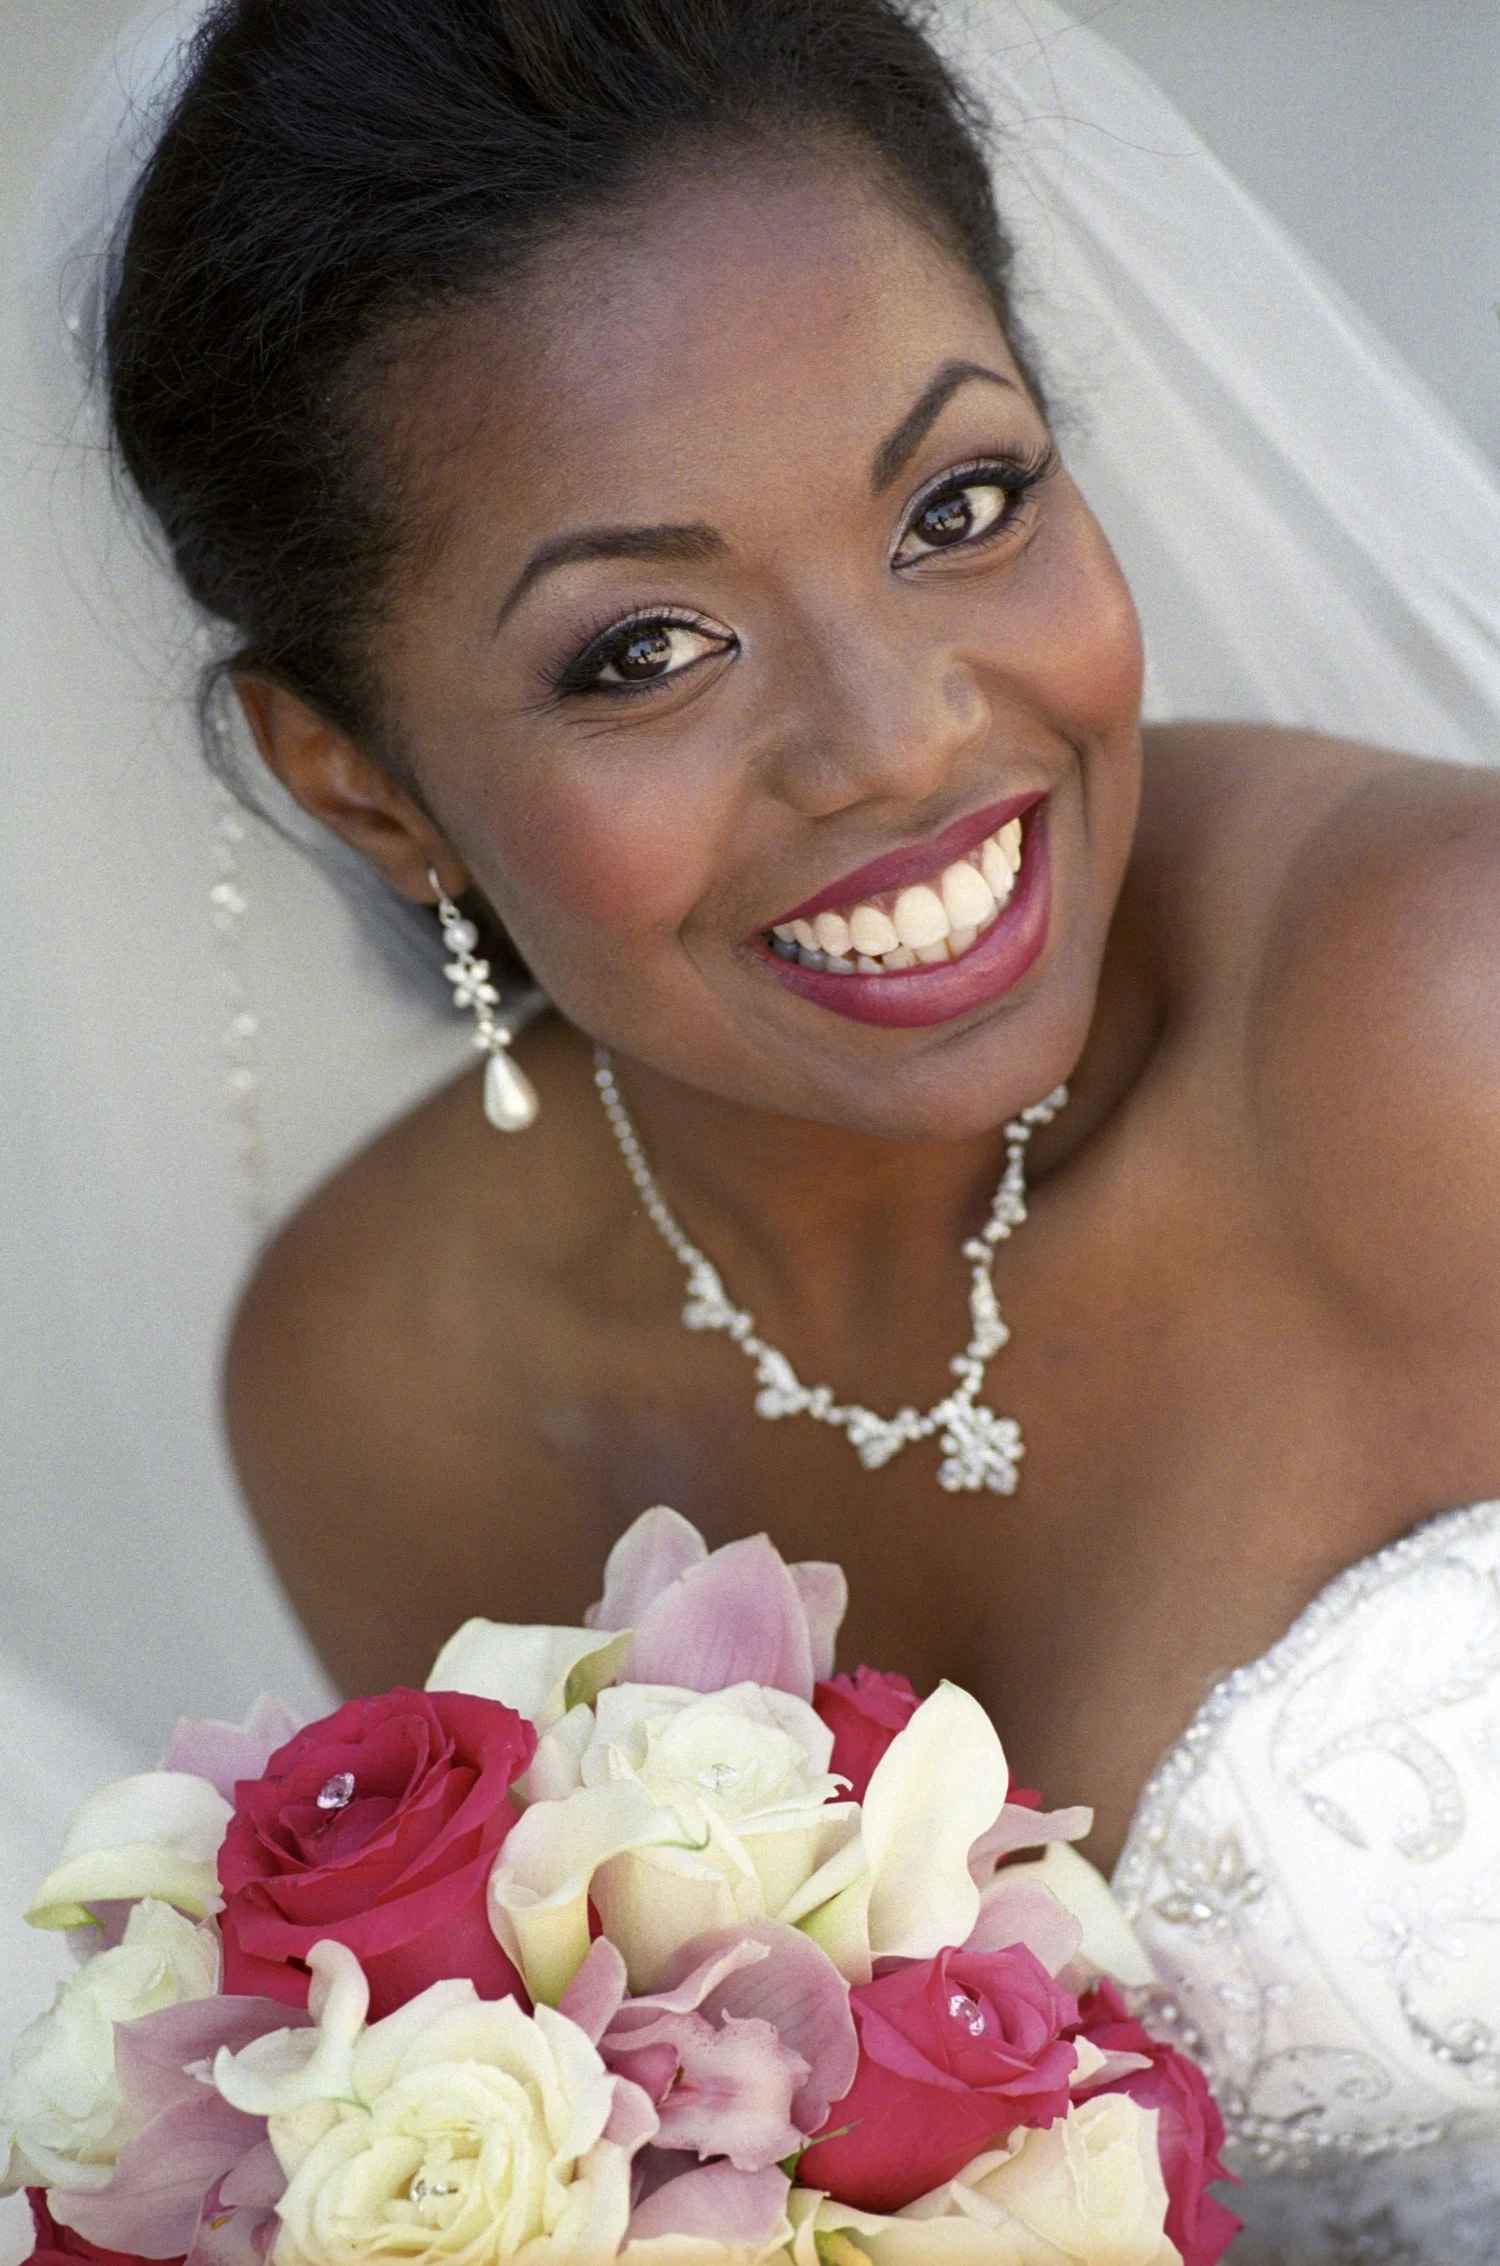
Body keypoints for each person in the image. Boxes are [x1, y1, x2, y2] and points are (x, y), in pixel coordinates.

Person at [13, 0, 1500, 2254]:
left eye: (958, 505)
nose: (895, 740)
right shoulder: (387, 1380)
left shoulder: (1449, 1021)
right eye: (647, 649)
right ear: (361, 781)